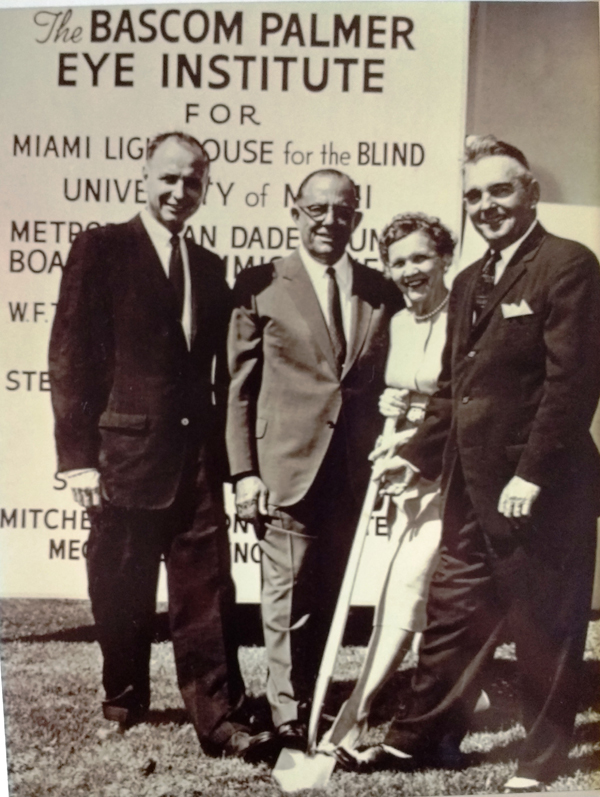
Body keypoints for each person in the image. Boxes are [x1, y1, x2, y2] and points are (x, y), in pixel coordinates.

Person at [354, 136, 600, 791]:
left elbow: (571, 384)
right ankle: (419, 738)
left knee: (545, 622)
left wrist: (532, 474)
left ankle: (542, 756)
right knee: (452, 611)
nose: (486, 205)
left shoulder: (567, 264)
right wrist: (415, 456)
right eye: (473, 196)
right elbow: (451, 390)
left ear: (530, 193)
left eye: (500, 191)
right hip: (469, 485)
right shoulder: (467, 280)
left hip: (541, 488)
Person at [49, 132, 274, 761]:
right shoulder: (101, 248)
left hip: (194, 459)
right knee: (119, 585)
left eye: (194, 181)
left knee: (205, 588)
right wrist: (76, 460)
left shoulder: (208, 266)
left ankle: (218, 718)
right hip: (120, 458)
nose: (181, 192)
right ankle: (123, 697)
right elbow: (69, 358)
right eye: (169, 178)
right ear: (144, 176)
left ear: (206, 187)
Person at [226, 169, 402, 751]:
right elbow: (239, 388)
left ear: (357, 214)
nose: (330, 220)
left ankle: (314, 696)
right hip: (286, 468)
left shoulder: (382, 290)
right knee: (285, 596)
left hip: (352, 473)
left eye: (343, 210)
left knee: (328, 594)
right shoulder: (261, 284)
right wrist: (244, 472)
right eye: (317, 209)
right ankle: (286, 715)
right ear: (294, 211)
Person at [321, 212, 455, 756]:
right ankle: (463, 698)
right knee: (426, 593)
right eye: (397, 261)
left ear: (445, 257)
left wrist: (417, 443)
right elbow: (399, 392)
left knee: (404, 587)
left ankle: (355, 714)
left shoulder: (465, 317)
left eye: (421, 257)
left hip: (449, 470)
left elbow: (459, 403)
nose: (409, 270)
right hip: (404, 469)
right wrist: (390, 413)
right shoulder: (398, 322)